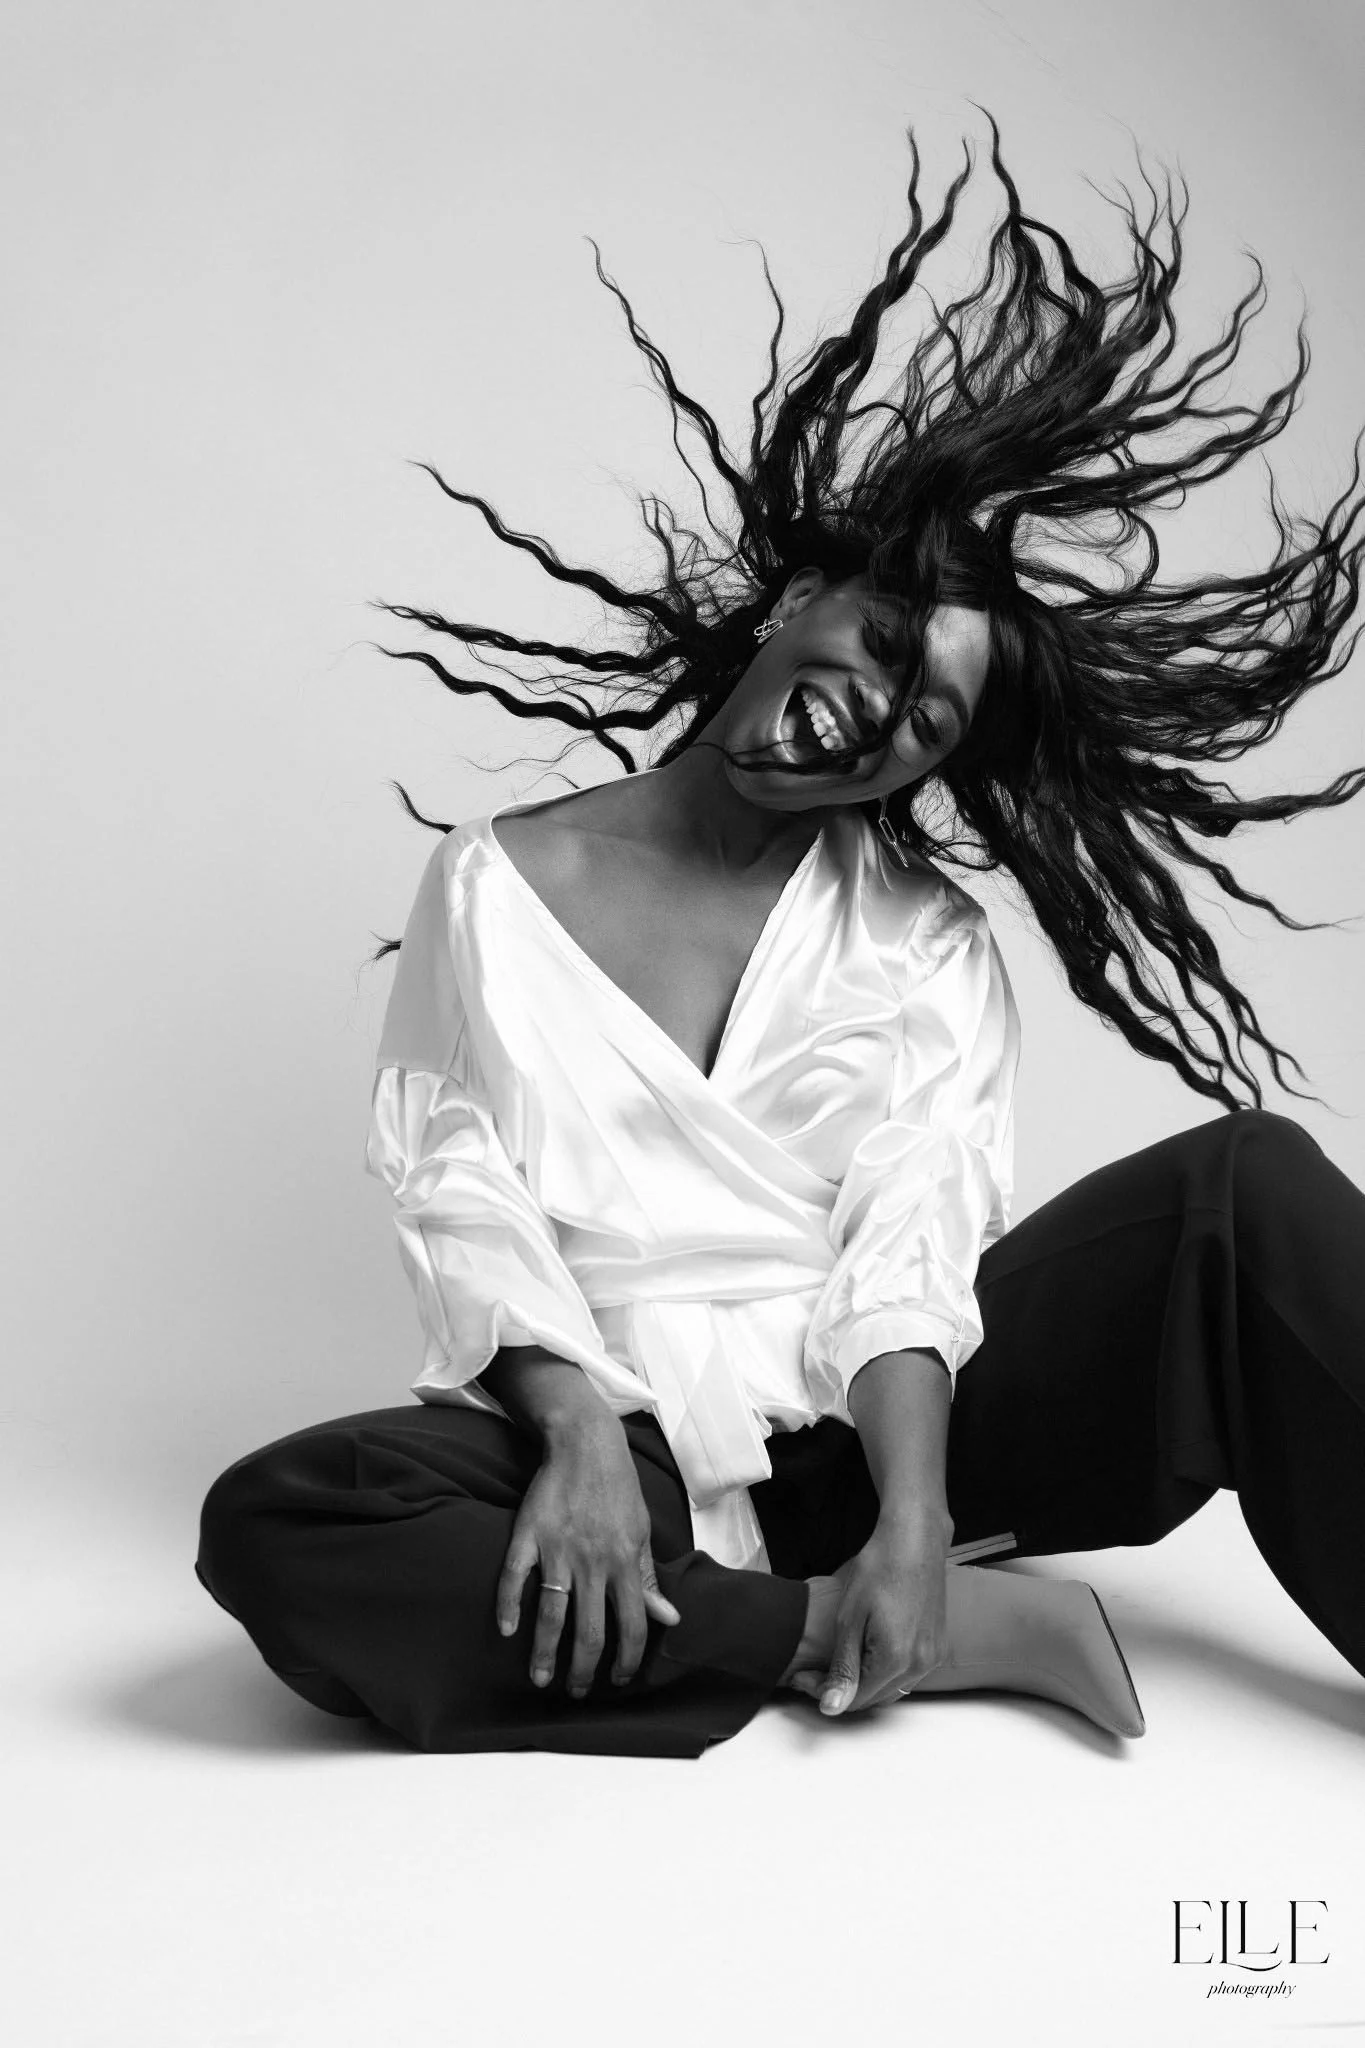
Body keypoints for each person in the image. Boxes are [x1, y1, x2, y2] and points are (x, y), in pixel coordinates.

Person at [196, 115, 1365, 1759]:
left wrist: (907, 1515)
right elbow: (459, 1189)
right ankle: (869, 1634)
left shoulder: (920, 944)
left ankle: (889, 1582)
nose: (877, 709)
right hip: (624, 1464)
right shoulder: (494, 885)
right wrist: (585, 1436)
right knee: (285, 1518)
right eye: (882, 638)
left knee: (1245, 1193)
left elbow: (909, 1247)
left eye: (930, 715)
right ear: (794, 602)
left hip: (884, 1442)